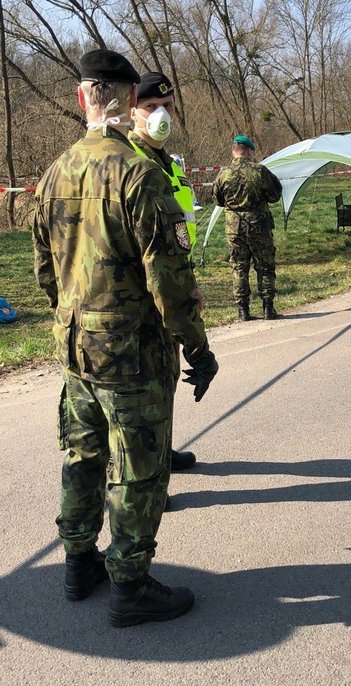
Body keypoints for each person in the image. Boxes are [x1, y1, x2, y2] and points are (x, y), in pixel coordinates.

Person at [32, 49, 218, 627]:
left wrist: (72, 315)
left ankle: (77, 563)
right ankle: (130, 584)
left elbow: (44, 269)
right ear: (129, 100)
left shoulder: (54, 171)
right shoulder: (139, 174)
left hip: (75, 348)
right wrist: (196, 345)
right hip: (132, 353)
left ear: (82, 97)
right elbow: (169, 276)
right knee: (138, 466)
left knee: (82, 456)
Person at [128, 71, 201, 472]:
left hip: (171, 280)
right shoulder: (132, 162)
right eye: (151, 107)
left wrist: (188, 284)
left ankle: (162, 450)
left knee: (166, 377)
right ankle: (141, 474)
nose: (161, 115)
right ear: (132, 111)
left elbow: (180, 232)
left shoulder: (168, 164)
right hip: (142, 292)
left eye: (168, 107)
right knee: (142, 388)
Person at [211, 135, 284, 320]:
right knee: (265, 265)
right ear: (250, 151)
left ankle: (243, 310)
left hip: (234, 227)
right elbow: (275, 195)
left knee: (239, 267)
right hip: (259, 224)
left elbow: (218, 200)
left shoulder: (223, 173)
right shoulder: (259, 170)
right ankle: (268, 308)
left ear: (233, 151)